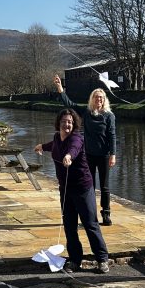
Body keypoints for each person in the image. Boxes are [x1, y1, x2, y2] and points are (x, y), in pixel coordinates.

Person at [34, 108, 110, 273]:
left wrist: (69, 156)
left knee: (90, 224)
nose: (66, 124)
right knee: (69, 226)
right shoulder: (56, 138)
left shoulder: (77, 138)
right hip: (66, 189)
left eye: (69, 122)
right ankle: (75, 260)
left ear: (74, 124)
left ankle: (102, 259)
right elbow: (53, 145)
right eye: (63, 122)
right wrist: (41, 146)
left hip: (83, 188)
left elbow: (74, 149)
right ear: (59, 123)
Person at [53, 75, 117, 226]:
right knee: (89, 186)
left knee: (105, 186)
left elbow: (112, 135)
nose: (98, 100)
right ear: (92, 99)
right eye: (96, 97)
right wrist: (59, 88)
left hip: (104, 155)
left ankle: (106, 213)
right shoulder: (87, 112)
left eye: (101, 98)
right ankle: (90, 213)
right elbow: (69, 104)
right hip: (87, 155)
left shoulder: (109, 116)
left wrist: (113, 155)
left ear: (104, 100)